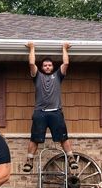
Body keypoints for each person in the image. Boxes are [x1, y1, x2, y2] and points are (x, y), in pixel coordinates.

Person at [22, 41, 78, 173]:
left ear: (53, 67)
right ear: (42, 67)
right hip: (40, 112)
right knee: (35, 138)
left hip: (56, 112)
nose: (47, 67)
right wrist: (32, 48)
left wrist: (64, 48)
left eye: (49, 65)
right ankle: (29, 160)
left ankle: (71, 158)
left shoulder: (58, 76)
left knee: (63, 137)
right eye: (45, 65)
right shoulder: (37, 76)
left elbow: (66, 64)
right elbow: (31, 63)